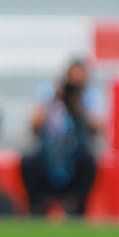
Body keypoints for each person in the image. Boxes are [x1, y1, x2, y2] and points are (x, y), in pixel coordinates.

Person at [21, 58, 102, 217]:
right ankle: (37, 207)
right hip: (48, 156)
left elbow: (97, 129)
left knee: (89, 162)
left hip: (75, 157)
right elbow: (34, 126)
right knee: (29, 161)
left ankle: (76, 208)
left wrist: (77, 106)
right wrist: (54, 100)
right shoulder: (49, 92)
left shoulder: (90, 96)